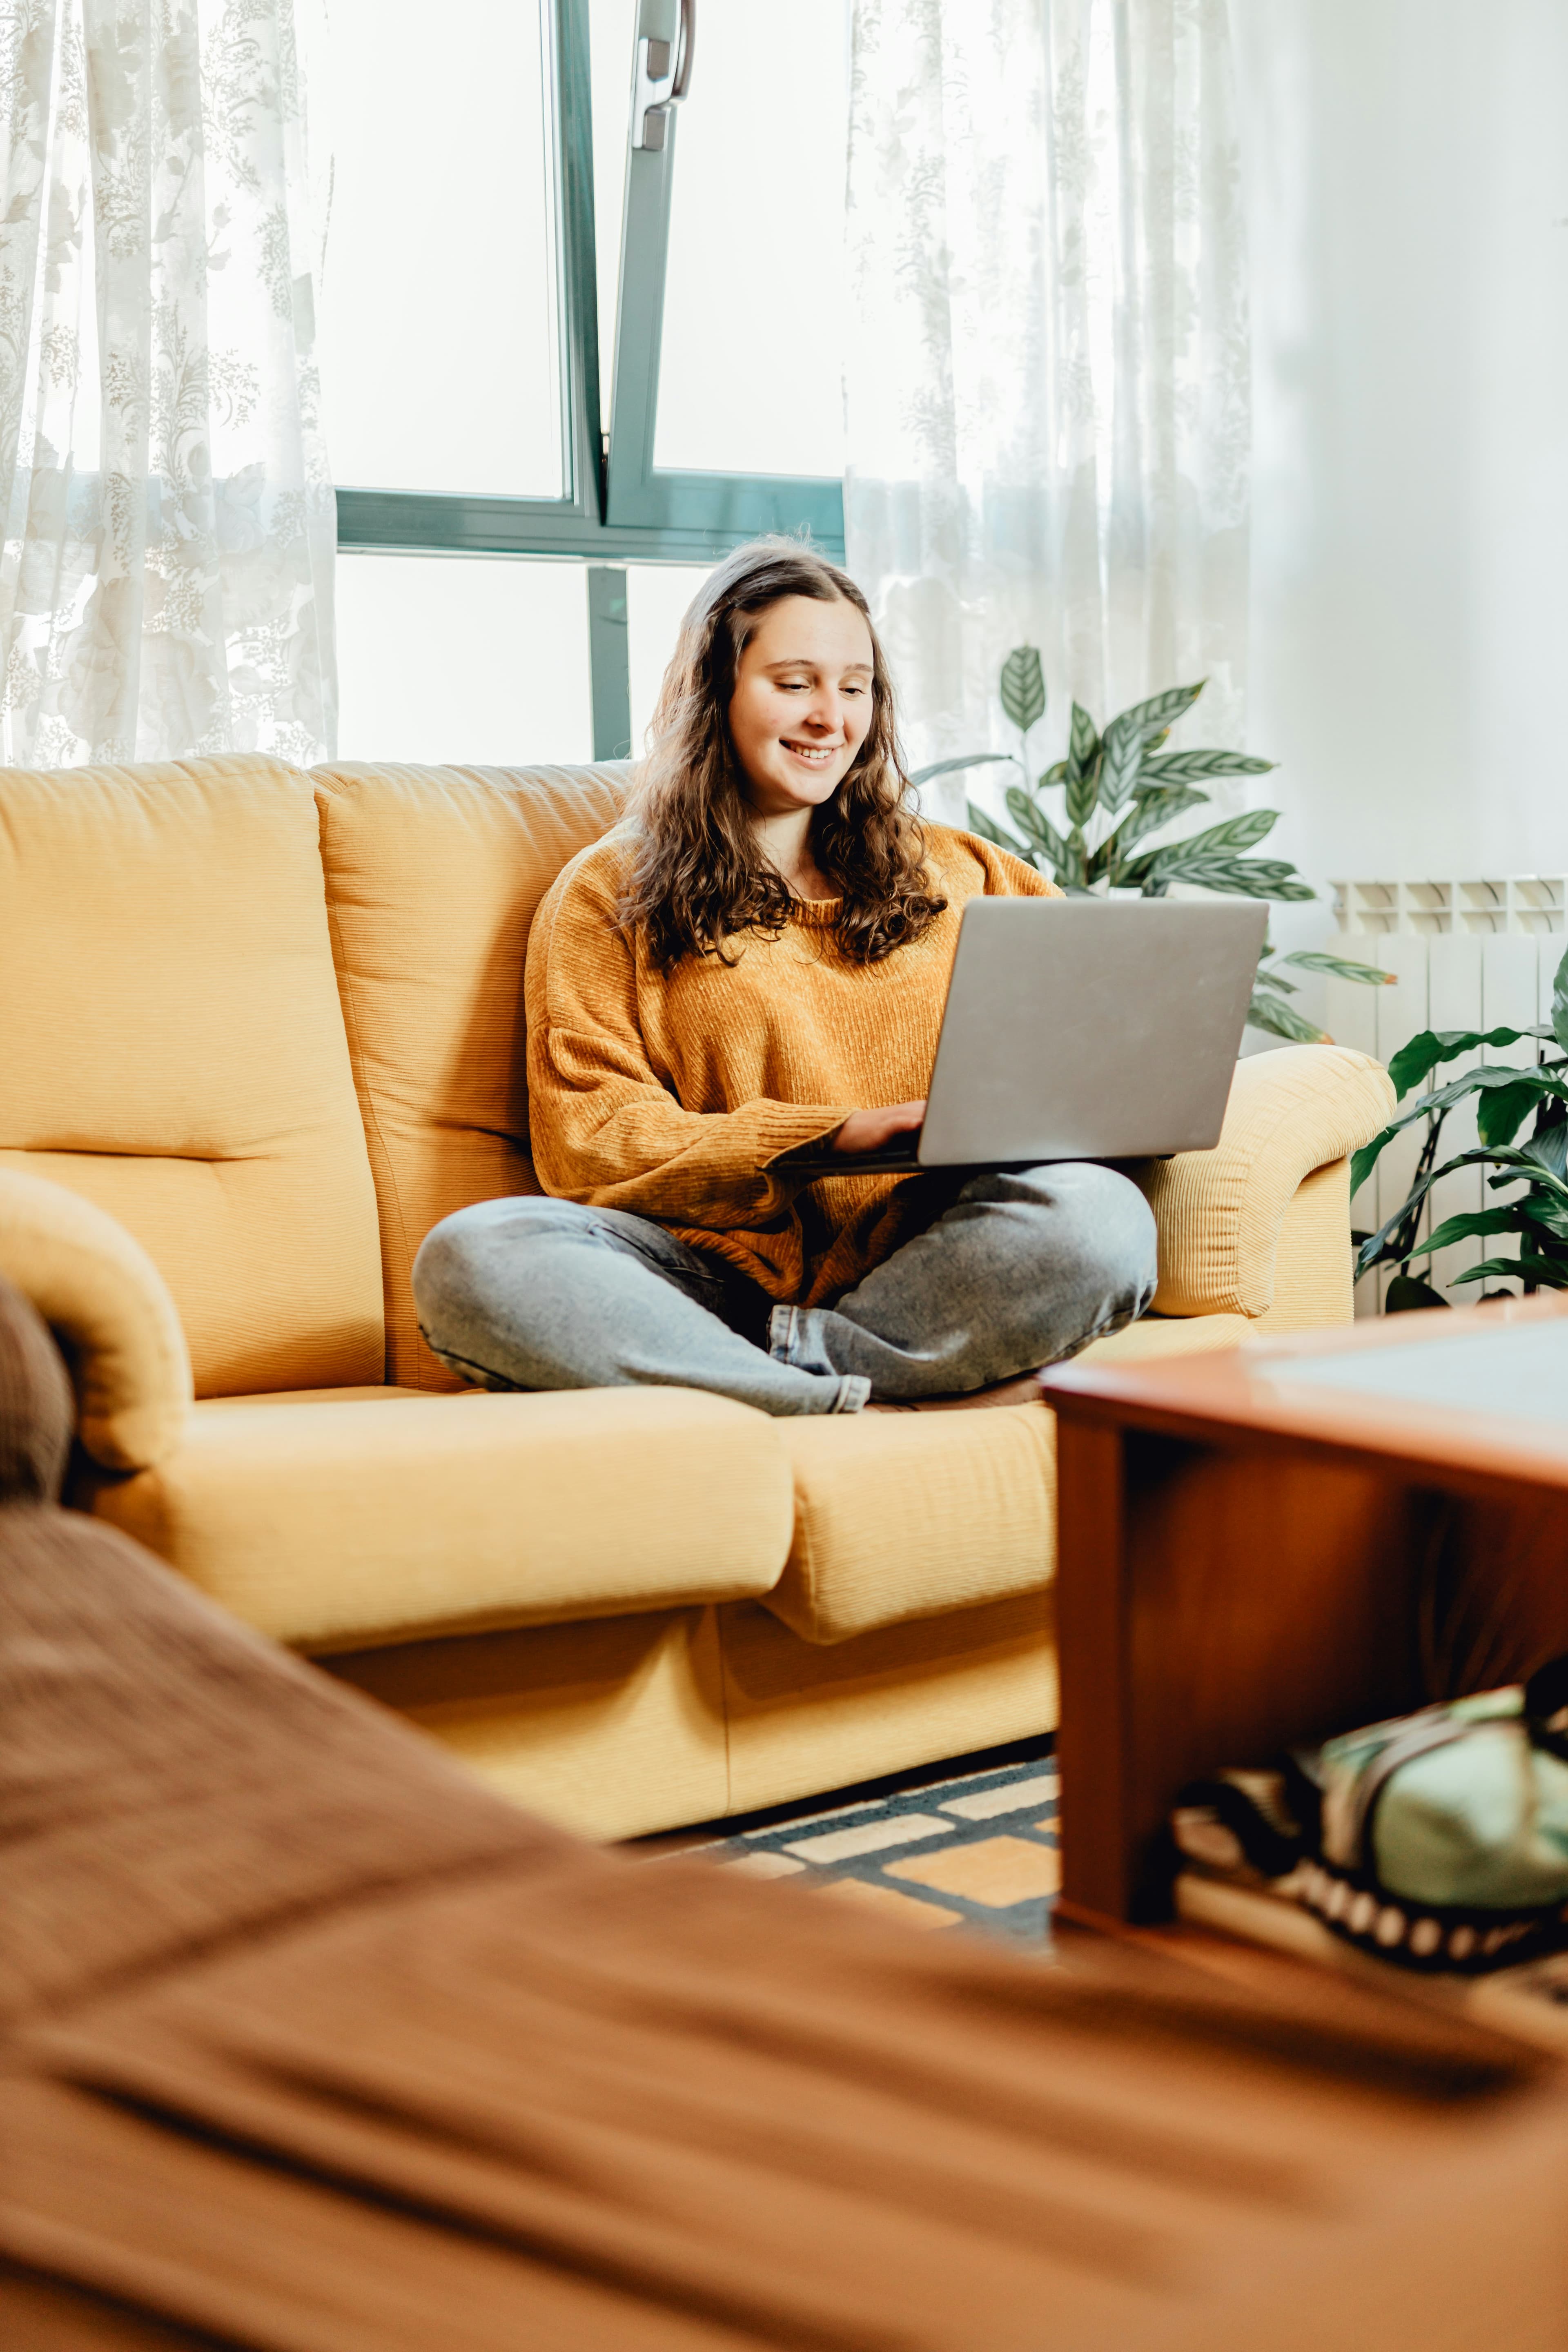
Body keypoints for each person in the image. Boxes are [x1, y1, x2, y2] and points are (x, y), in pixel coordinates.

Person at [413, 540, 1157, 1417]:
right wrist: (829, 1139)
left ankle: (790, 1380)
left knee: (1101, 1217)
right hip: (703, 1285)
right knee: (478, 1254)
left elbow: (1090, 1050)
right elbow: (591, 1139)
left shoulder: (972, 875)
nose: (830, 718)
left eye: (855, 687)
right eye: (794, 682)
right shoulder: (608, 894)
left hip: (926, 1264)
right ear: (714, 690)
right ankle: (827, 1396)